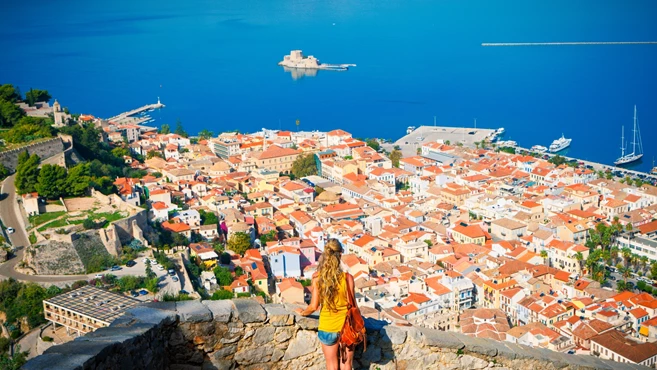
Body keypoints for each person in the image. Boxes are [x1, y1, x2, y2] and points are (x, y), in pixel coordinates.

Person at [295, 239, 356, 370]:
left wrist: (302, 312)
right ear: (340, 255)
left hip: (328, 327)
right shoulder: (348, 278)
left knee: (332, 365)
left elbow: (313, 306)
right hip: (346, 327)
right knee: (347, 365)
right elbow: (353, 305)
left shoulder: (318, 277)